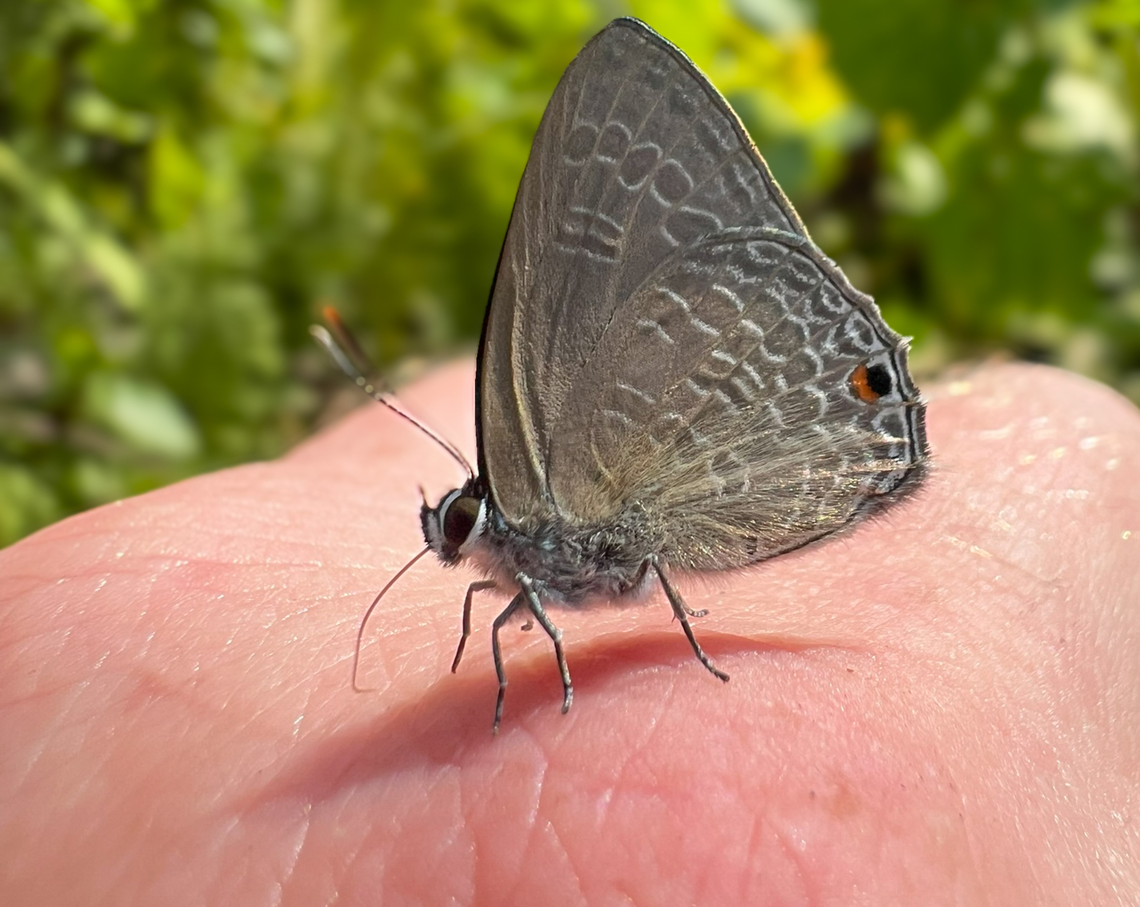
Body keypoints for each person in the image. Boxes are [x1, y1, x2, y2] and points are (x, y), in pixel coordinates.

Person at [1, 360, 1137, 904]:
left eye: (457, 525)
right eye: (453, 527)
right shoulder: (498, 575)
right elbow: (498, 609)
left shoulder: (530, 512)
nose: (453, 542)